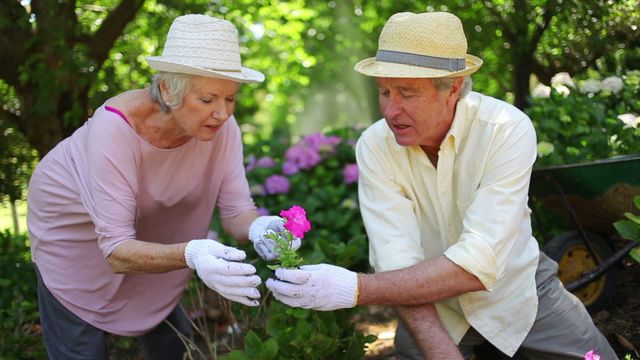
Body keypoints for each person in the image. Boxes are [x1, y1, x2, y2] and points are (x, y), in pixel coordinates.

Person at [266, 11, 618, 360]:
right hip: (426, 302)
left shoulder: (504, 128)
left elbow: (479, 263)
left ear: (452, 89)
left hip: (515, 286)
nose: (390, 111)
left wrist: (356, 289)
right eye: (384, 92)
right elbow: (396, 264)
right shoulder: (375, 145)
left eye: (407, 93)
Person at [27, 14, 298, 359]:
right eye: (208, 99)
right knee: (82, 347)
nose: (223, 113)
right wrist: (193, 254)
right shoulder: (115, 129)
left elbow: (235, 214)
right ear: (169, 90)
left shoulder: (223, 131)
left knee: (171, 341)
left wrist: (261, 226)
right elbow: (117, 251)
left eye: (230, 99)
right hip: (72, 229)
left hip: (152, 228)